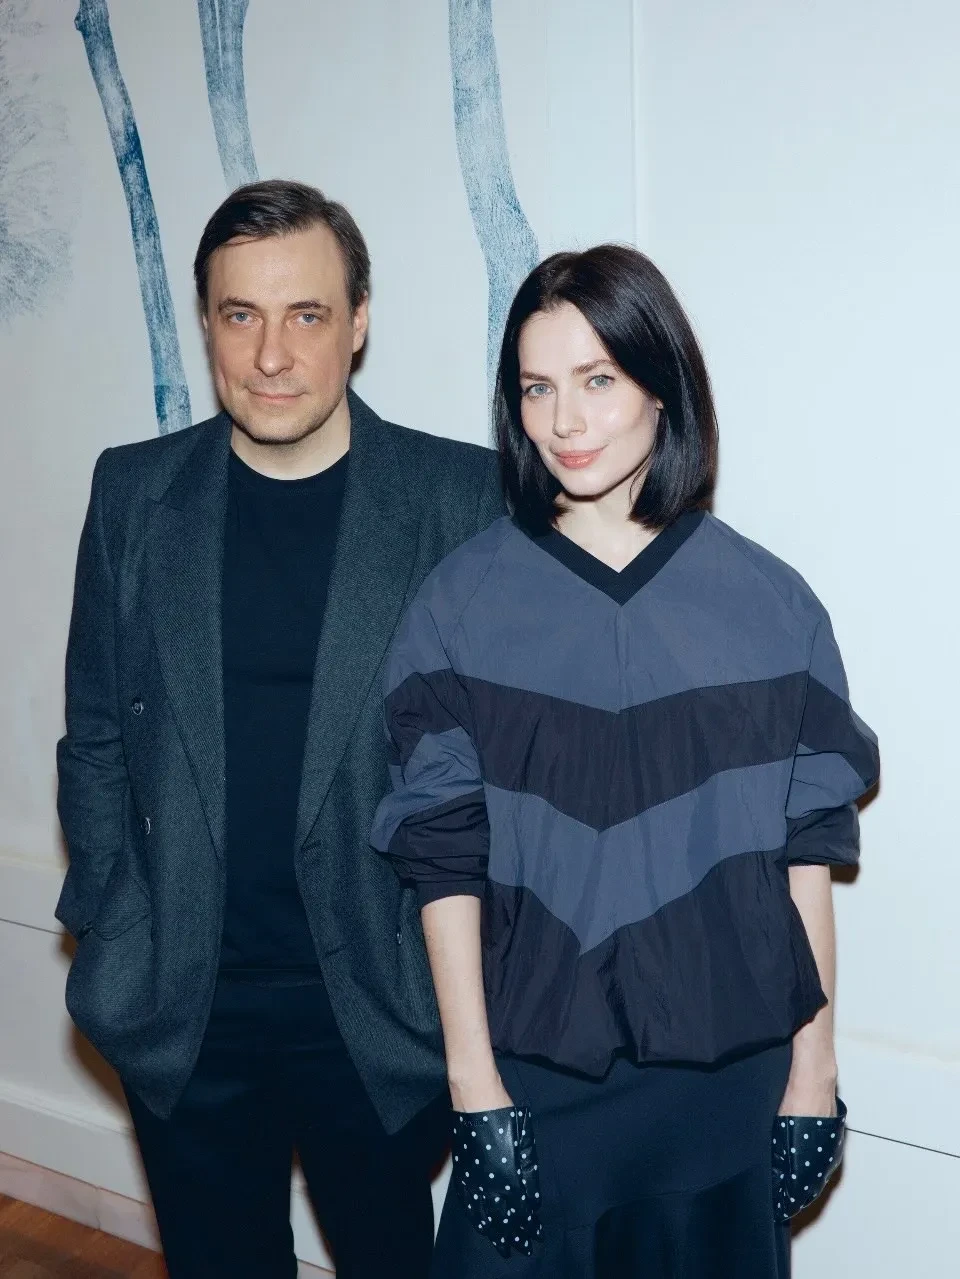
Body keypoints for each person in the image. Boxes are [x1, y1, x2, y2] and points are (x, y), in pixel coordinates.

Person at [372, 244, 879, 1277]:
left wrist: (813, 1075)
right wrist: (474, 1090)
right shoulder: (459, 604)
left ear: (661, 386)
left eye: (597, 379)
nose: (564, 420)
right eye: (537, 388)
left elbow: (806, 857)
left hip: (727, 1083)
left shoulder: (771, 605)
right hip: (535, 1083)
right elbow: (442, 858)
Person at [55, 179, 504, 1279]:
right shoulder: (134, 492)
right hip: (184, 1004)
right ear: (208, 322)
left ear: (358, 323)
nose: (270, 354)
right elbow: (97, 729)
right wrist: (112, 917)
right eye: (239, 314)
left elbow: (507, 765)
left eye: (306, 313)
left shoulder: (460, 499)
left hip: (381, 1008)